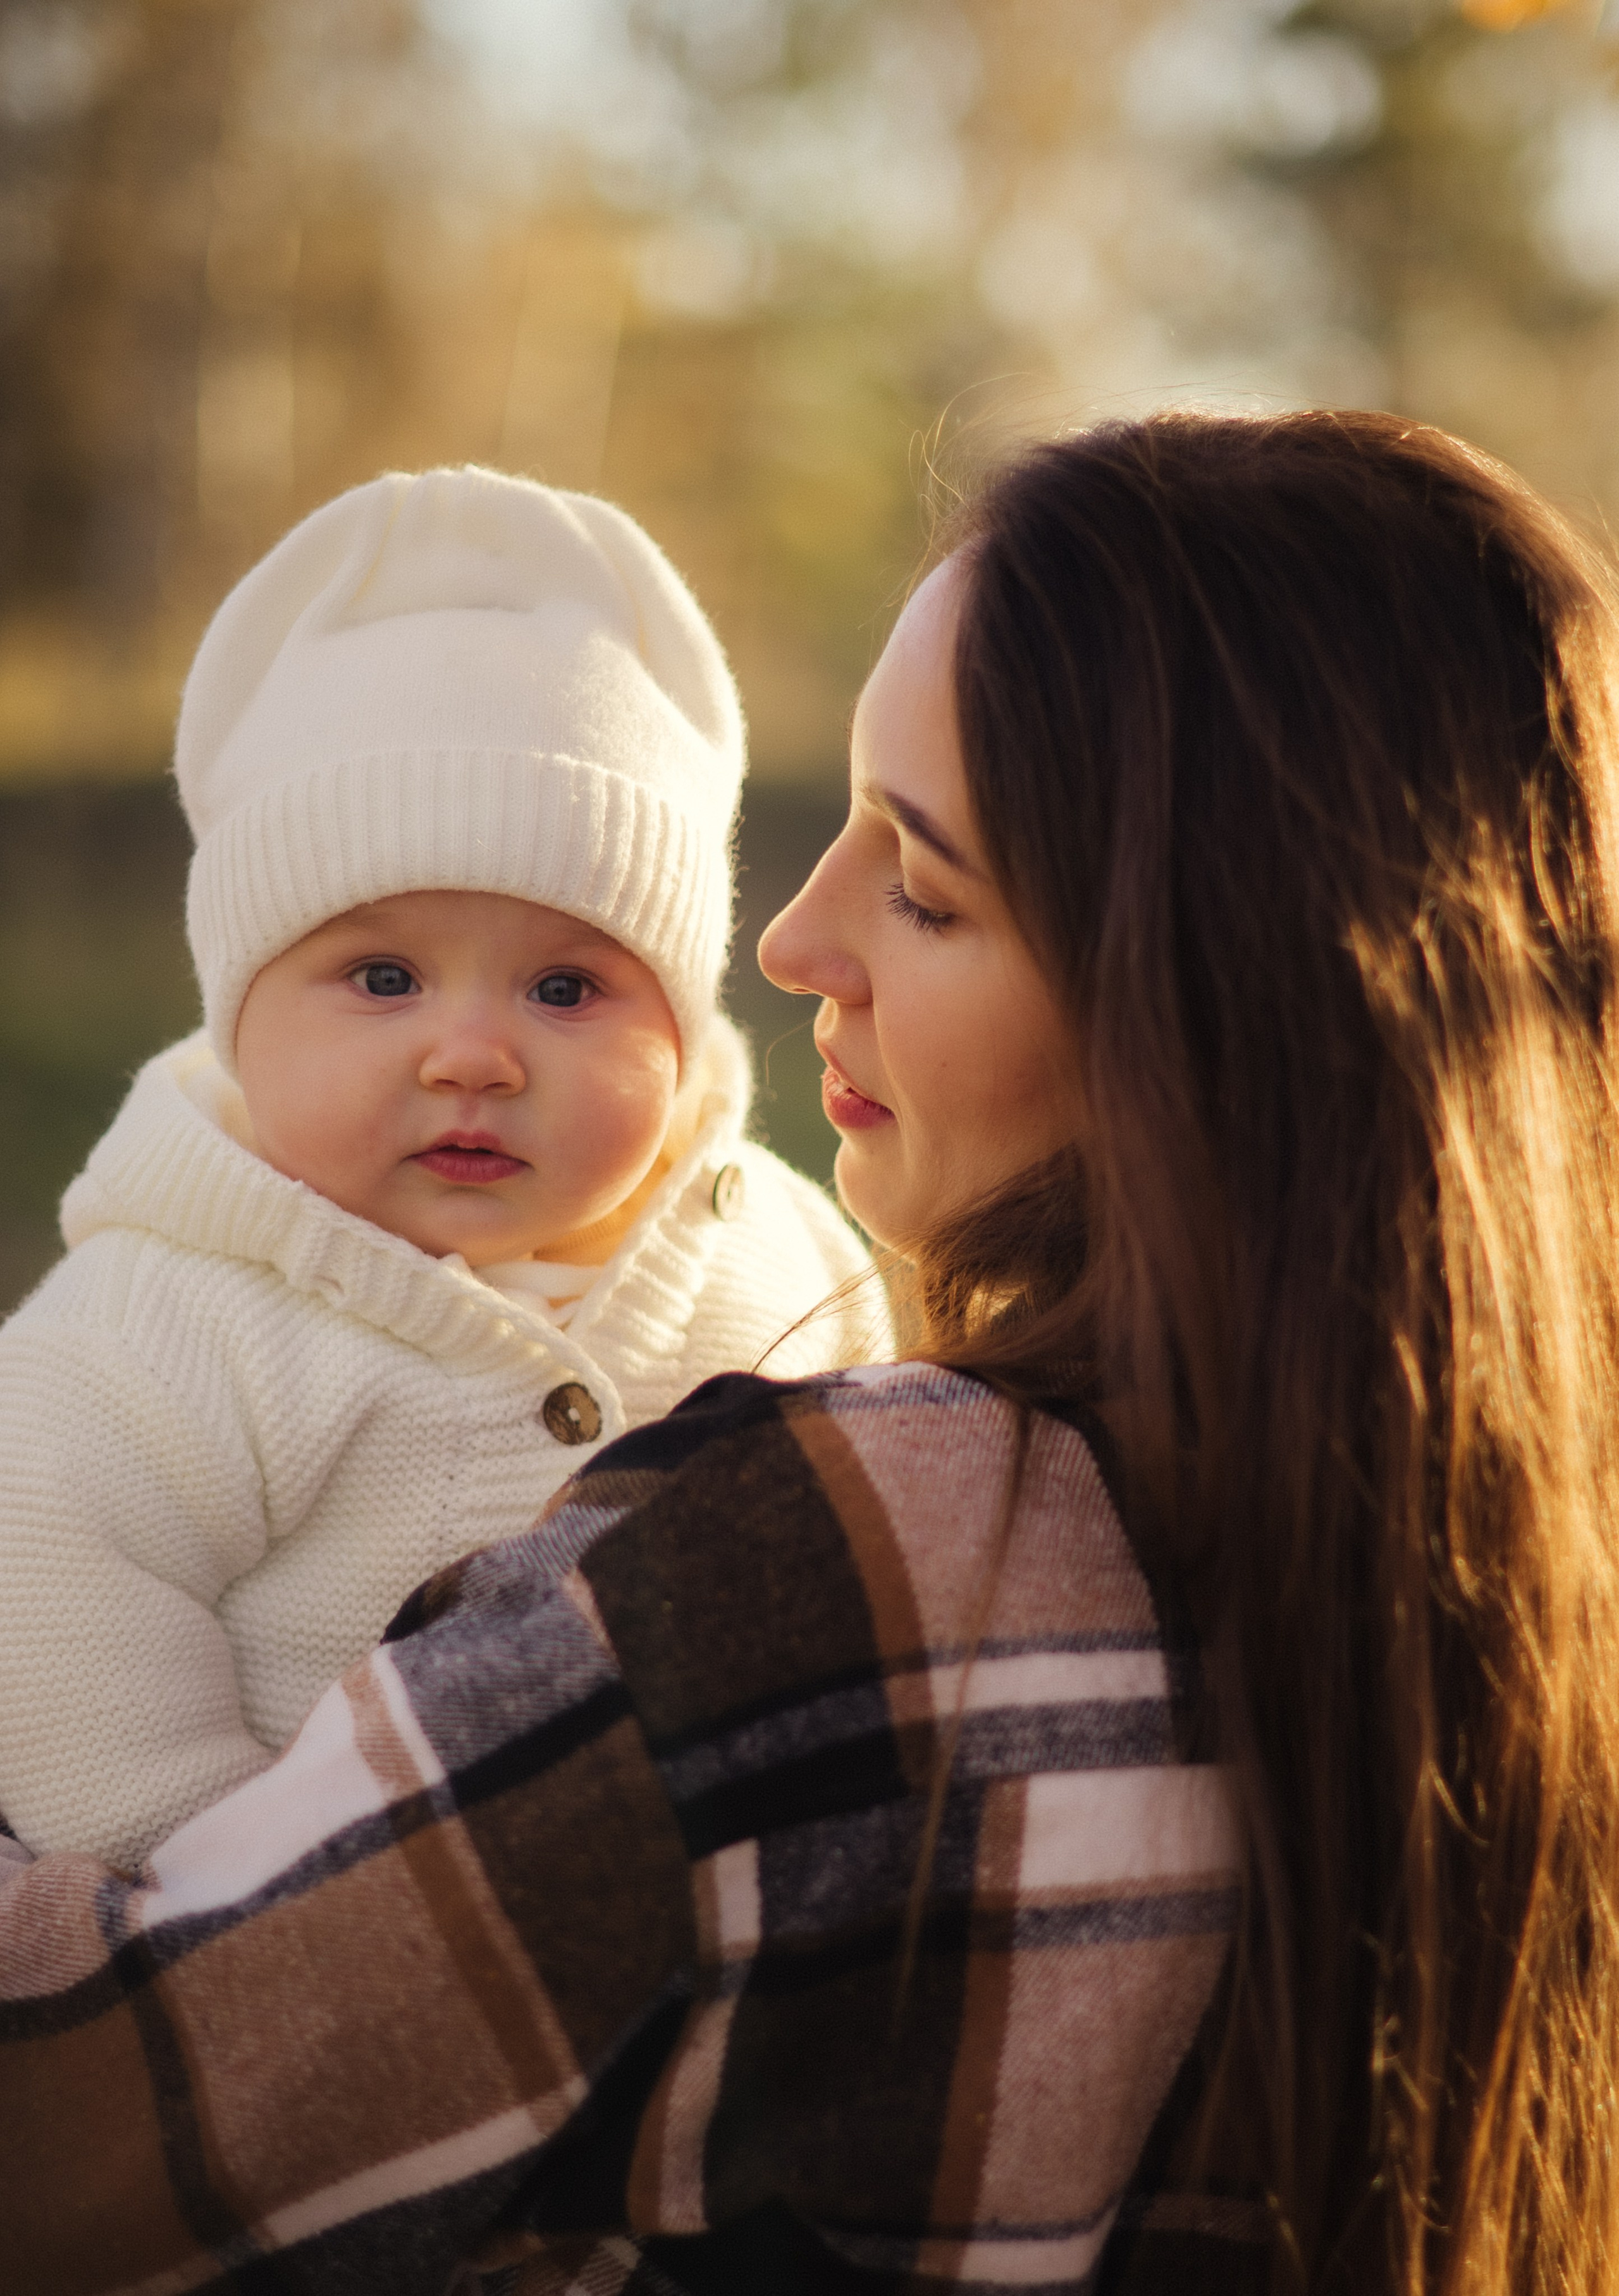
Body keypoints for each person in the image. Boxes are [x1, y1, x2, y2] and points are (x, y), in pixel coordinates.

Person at [5, 406, 1619, 2296]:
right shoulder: (1521, 1569)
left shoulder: (844, 1549)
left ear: (1206, 1008)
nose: (788, 942)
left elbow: (74, 2138)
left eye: (921, 888)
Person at [0, 467, 878, 1869]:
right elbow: (52, 1611)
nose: (472, 1055)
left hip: (731, 1905)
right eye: (385, 974)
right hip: (317, 1947)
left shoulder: (785, 1256)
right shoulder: (165, 1319)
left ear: (683, 1013)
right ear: (241, 1012)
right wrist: (229, 1881)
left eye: (567, 990)